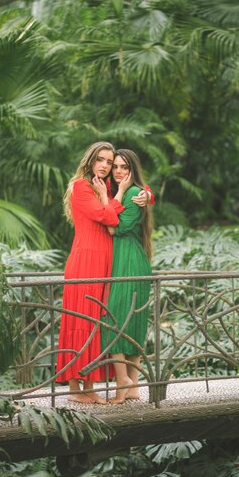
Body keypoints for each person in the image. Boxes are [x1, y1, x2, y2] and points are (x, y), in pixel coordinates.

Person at [56, 141, 151, 404]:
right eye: (101, 159)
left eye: (109, 162)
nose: (106, 166)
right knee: (80, 322)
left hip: (106, 262)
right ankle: (77, 389)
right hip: (86, 259)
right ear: (90, 160)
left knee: (96, 324)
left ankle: (90, 387)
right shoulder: (82, 186)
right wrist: (118, 195)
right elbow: (107, 217)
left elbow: (135, 189)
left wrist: (147, 194)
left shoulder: (105, 185)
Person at [101, 149, 153, 404]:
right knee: (129, 321)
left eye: (124, 167)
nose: (119, 171)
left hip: (130, 261)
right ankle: (133, 386)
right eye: (116, 167)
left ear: (133, 170)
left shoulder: (133, 194)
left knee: (116, 321)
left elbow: (115, 228)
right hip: (125, 259)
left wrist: (128, 194)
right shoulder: (123, 193)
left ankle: (123, 384)